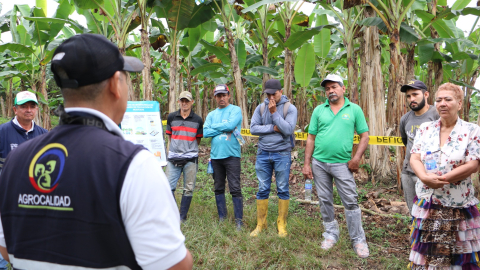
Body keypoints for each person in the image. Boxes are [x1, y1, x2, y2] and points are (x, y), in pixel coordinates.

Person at [0, 34, 192, 270]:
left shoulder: (16, 160)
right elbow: (174, 265)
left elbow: (6, 249)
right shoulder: (134, 164)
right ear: (114, 84)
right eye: (126, 79)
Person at [408, 83, 480, 269]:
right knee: (429, 255)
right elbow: (414, 157)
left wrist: (443, 180)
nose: (442, 103)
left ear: (459, 103)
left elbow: (473, 164)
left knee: (457, 256)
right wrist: (424, 177)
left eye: (448, 99)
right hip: (427, 202)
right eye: (439, 100)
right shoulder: (425, 129)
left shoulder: (471, 130)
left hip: (456, 204)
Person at [302, 74, 370, 258]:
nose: (330, 91)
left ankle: (358, 239)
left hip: (343, 164)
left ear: (343, 88)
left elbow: (365, 136)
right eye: (327, 88)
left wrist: (356, 158)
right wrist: (307, 163)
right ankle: (331, 234)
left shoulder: (354, 109)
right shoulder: (319, 110)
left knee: (350, 201)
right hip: (319, 163)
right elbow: (311, 137)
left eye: (334, 87)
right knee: (325, 199)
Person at [249, 79, 297, 237]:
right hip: (263, 153)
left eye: (273, 94)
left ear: (280, 92)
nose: (270, 97)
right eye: (268, 94)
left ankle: (281, 223)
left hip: (282, 154)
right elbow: (253, 129)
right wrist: (272, 128)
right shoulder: (260, 107)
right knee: (263, 188)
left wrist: (274, 113)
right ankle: (260, 224)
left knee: (282, 188)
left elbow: (288, 130)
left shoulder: (290, 108)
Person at [203, 84, 243, 230]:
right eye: (218, 96)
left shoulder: (235, 110)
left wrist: (215, 127)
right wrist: (224, 126)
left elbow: (232, 125)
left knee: (235, 187)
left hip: (232, 155)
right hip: (216, 156)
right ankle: (222, 217)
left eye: (224, 95)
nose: (221, 98)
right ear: (215, 97)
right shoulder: (211, 114)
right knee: (218, 187)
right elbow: (205, 132)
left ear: (228, 95)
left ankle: (239, 221)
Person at [399, 80, 439, 214]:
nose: (412, 99)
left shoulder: (436, 115)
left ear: (426, 94)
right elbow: (406, 142)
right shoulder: (405, 119)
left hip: (429, 174)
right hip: (408, 173)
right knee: (414, 212)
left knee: (431, 212)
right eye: (409, 96)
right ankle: (416, 235)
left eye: (415, 94)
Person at [166, 91, 203, 222]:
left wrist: (187, 149)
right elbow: (170, 136)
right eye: (182, 100)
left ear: (192, 102)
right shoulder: (172, 117)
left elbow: (197, 139)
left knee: (188, 188)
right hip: (173, 157)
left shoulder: (198, 120)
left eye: (187, 101)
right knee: (168, 187)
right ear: (178, 102)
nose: (184, 103)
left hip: (191, 158)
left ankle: (182, 217)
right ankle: (174, 213)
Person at [0, 91, 47, 173]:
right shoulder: (2, 132)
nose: (29, 110)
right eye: (24, 106)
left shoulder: (44, 134)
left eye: (32, 107)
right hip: (8, 184)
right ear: (15, 110)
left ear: (36, 110)